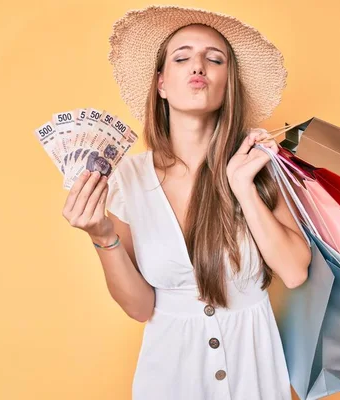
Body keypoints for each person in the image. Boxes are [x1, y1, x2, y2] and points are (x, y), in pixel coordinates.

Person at [61, 5, 311, 400]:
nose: (199, 66)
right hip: (170, 375)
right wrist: (101, 234)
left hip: (254, 372)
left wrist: (242, 186)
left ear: (227, 83)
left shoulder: (260, 164)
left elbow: (295, 272)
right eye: (182, 57)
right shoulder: (126, 179)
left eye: (214, 59)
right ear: (161, 83)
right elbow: (142, 308)